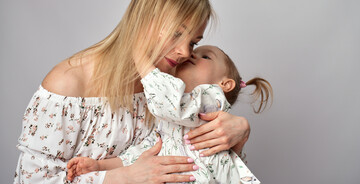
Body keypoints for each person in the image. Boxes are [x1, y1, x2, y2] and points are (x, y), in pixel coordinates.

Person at [14, 0, 251, 184]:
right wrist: (123, 177)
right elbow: (32, 180)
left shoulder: (172, 86)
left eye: (193, 42)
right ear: (145, 19)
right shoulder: (68, 84)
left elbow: (207, 165)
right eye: (176, 33)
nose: (185, 52)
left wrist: (239, 131)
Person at [67, 45, 273, 183]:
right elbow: (141, 154)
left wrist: (143, 63)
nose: (192, 54)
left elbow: (176, 105)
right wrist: (100, 166)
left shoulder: (213, 99)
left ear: (225, 84)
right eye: (195, 50)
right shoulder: (168, 122)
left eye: (206, 56)